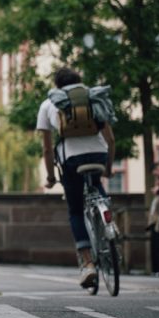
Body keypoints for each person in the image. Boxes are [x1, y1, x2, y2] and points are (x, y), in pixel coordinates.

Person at [37, 67, 116, 288]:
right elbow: (110, 139)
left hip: (71, 160)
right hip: (98, 155)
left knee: (75, 209)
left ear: (57, 85)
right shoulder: (93, 97)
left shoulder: (49, 104)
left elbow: (47, 149)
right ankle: (108, 222)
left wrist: (51, 177)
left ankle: (89, 264)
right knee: (98, 186)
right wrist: (108, 167)